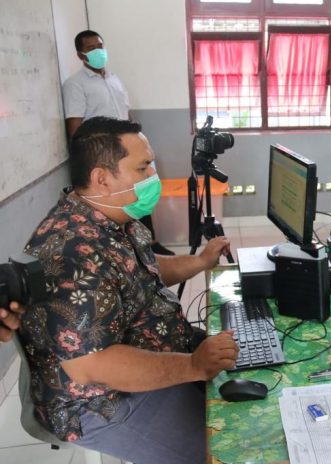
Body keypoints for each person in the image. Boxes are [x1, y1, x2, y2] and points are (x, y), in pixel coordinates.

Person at [20, 117, 238, 464]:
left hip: (158, 348)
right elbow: (92, 366)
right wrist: (194, 366)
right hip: (101, 400)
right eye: (143, 167)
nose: (154, 175)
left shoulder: (111, 216)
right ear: (102, 179)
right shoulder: (72, 252)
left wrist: (199, 262)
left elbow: (140, 272)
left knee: (252, 373)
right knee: (222, 453)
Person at [62, 29, 173, 256]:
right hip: (106, 157)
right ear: (80, 55)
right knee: (119, 202)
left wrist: (138, 143)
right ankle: (129, 251)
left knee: (142, 192)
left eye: (100, 46)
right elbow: (74, 128)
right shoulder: (76, 84)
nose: (98, 51)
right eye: (91, 48)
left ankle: (149, 245)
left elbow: (126, 114)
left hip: (128, 151)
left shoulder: (114, 79)